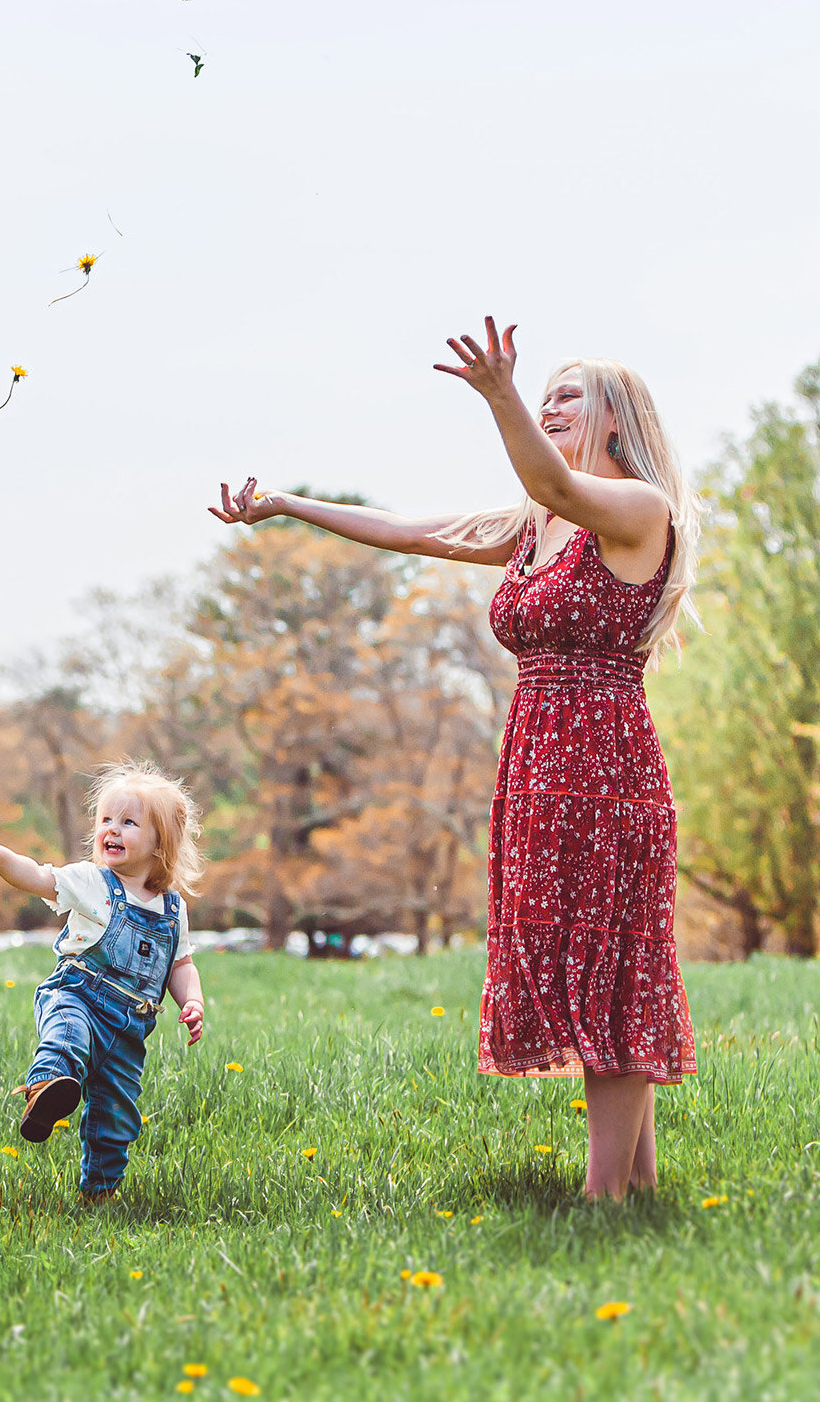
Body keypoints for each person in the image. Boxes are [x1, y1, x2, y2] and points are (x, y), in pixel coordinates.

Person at [207, 316, 698, 1199]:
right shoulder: (532, 523)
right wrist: (285, 506)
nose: (548, 404)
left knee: (612, 962)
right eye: (539, 393)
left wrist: (500, 395)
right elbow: (404, 530)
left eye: (565, 396)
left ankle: (604, 1197)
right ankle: (643, 1186)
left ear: (616, 419)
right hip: (537, 762)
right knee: (584, 955)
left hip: (606, 764)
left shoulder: (635, 509)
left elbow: (549, 474)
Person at [0, 761, 208, 1203]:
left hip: (129, 1029)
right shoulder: (92, 882)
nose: (111, 829)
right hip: (77, 995)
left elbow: (180, 965)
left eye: (128, 822)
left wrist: (194, 1001)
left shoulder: (172, 909)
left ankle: (100, 1189)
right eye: (106, 820)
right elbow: (36, 876)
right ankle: (47, 1090)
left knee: (117, 1114)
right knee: (67, 1037)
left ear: (160, 842)